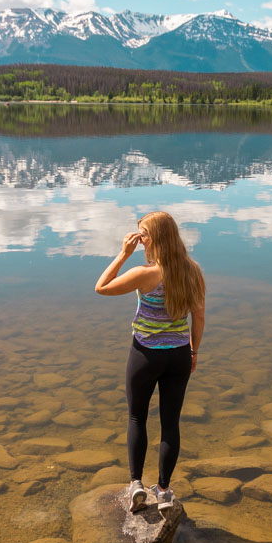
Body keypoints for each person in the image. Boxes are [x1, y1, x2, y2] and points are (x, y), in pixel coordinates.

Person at [95, 211, 205, 513]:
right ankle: (165, 490)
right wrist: (194, 352)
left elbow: (101, 287)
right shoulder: (192, 271)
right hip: (180, 356)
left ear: (154, 238)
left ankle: (136, 485)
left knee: (136, 418)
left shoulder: (145, 273)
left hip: (145, 354)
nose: (138, 237)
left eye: (142, 233)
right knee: (171, 423)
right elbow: (199, 316)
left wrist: (122, 254)